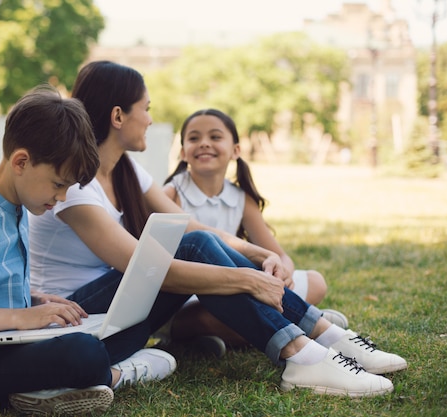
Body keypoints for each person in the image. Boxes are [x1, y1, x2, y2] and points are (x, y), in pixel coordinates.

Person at [28, 61, 407, 398]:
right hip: (76, 324)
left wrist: (259, 254)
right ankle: (305, 351)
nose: (150, 119)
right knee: (193, 247)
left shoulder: (126, 169)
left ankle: (324, 339)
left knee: (196, 241)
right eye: (146, 109)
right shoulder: (74, 185)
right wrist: (246, 279)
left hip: (118, 314)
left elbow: (192, 227)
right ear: (118, 116)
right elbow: (146, 266)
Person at [0, 86, 175, 417]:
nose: (61, 198)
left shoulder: (16, 209)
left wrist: (34, 300)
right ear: (21, 161)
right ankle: (119, 375)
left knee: (130, 328)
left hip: (4, 344)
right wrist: (21, 316)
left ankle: (52, 389)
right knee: (84, 353)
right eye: (58, 184)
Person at [162, 108, 348, 352]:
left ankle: (228, 337)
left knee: (315, 282)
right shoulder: (171, 194)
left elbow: (278, 255)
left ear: (236, 150)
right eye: (194, 138)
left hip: (238, 286)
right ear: (184, 151)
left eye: (215, 137)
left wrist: (282, 275)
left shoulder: (240, 198)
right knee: (213, 313)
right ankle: (298, 327)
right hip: (191, 297)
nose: (204, 144)